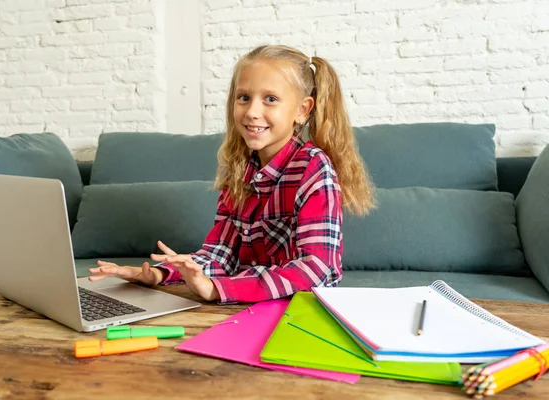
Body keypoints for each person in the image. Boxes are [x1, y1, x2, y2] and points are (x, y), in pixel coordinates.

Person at [89, 44, 375, 304]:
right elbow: (221, 253)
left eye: (270, 99)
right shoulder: (240, 170)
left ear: (302, 110)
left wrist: (218, 289)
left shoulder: (314, 168)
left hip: (302, 308)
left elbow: (316, 269)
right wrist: (159, 275)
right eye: (244, 97)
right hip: (246, 303)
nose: (252, 111)